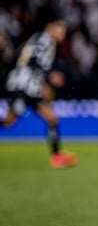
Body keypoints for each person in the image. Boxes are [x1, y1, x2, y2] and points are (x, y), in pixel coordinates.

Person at [1, 18, 78, 168]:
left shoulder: (44, 41)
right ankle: (57, 156)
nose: (63, 34)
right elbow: (32, 61)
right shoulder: (44, 40)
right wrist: (49, 78)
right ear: (50, 27)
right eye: (60, 29)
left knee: (52, 118)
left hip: (32, 88)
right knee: (9, 121)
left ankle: (57, 156)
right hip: (21, 86)